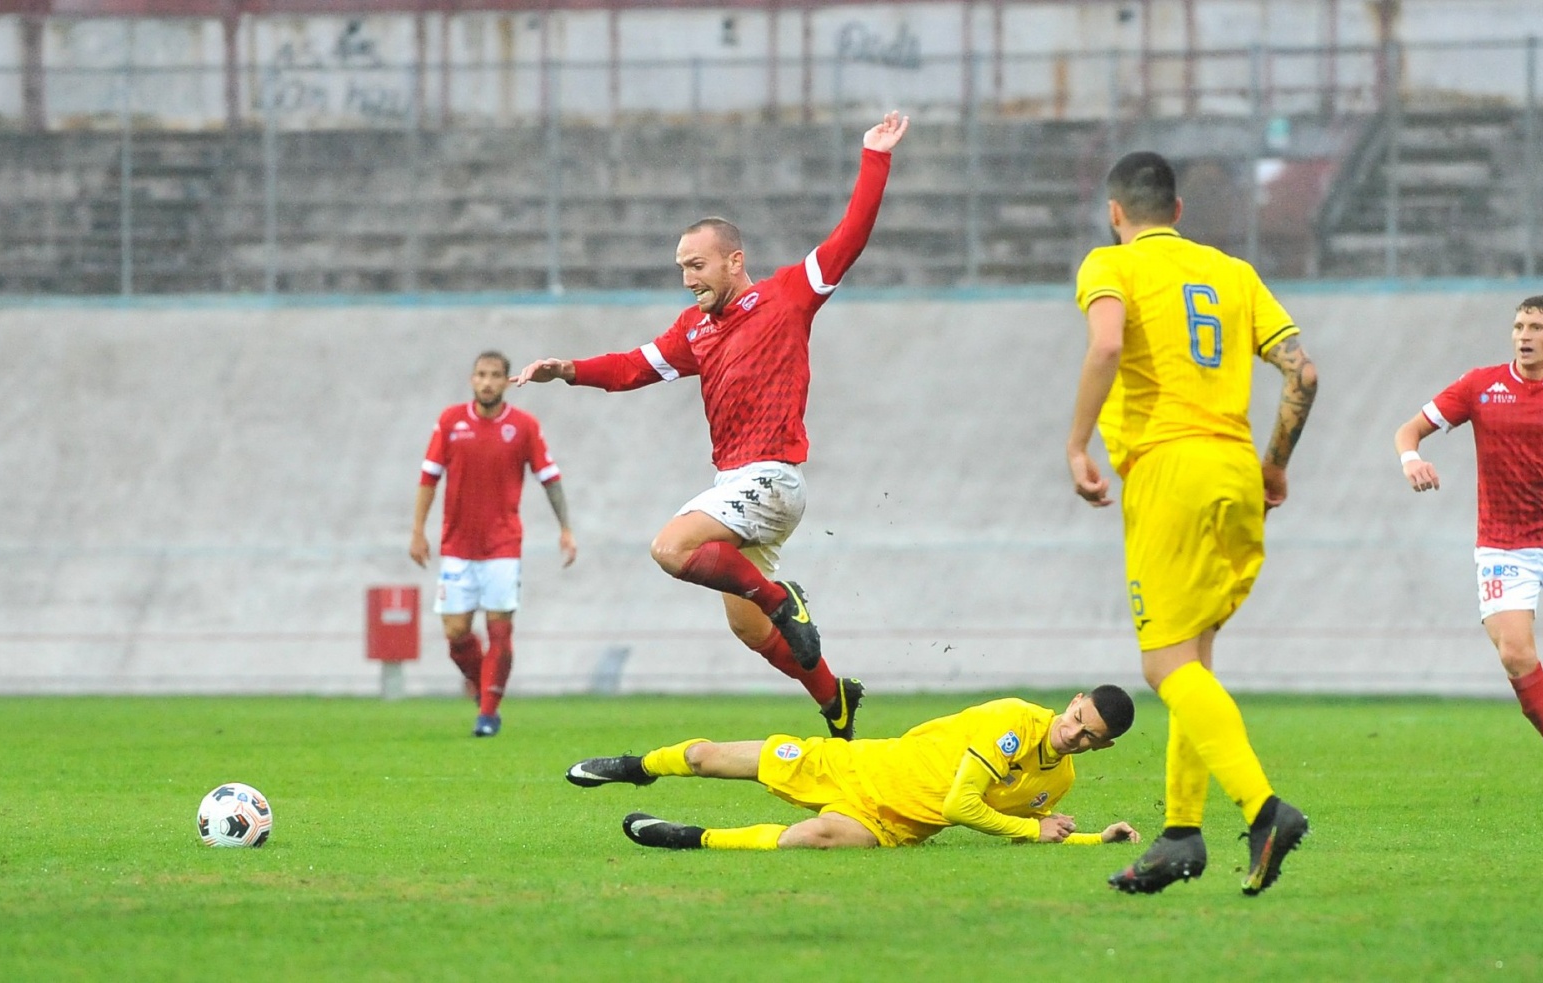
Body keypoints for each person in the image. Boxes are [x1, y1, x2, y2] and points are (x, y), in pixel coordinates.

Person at [509, 111, 911, 741]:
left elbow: (850, 236)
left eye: (698, 265)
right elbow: (632, 368)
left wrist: (874, 156)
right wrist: (568, 370)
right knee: (749, 630)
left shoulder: (786, 297)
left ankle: (786, 600)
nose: (689, 278)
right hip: (739, 485)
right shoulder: (695, 330)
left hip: (772, 476)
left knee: (671, 549)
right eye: (682, 268)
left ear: (734, 261)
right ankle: (836, 697)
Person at [1066, 151, 1319, 895]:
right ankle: (1179, 835)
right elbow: (1302, 371)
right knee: (1193, 660)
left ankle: (1265, 808)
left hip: (1169, 471)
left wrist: (1077, 443)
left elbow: (1107, 343)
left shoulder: (1111, 265)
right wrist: (1275, 462)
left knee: (1162, 664)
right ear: (1178, 212)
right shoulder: (1233, 274)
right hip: (1237, 468)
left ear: (1117, 215)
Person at [1394, 296, 1543, 799]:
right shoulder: (1481, 386)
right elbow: (1408, 429)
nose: (1524, 335)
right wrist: (1411, 458)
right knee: (1515, 654)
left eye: (1537, 327)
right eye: (1519, 325)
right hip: (1503, 546)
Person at [565, 686, 1139, 851]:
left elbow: (1033, 828)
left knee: (809, 838)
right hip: (851, 765)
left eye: (1091, 737)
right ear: (1074, 701)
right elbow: (961, 807)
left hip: (890, 827)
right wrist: (1030, 828)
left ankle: (691, 839)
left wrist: (1094, 838)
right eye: (1079, 718)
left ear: (1102, 747)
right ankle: (637, 766)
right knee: (704, 757)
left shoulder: (1057, 781)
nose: (1076, 734)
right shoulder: (1013, 719)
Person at [411, 351, 577, 737]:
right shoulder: (451, 422)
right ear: (472, 380)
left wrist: (565, 528)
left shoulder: (523, 426)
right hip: (456, 545)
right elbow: (429, 477)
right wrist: (418, 530)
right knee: (455, 634)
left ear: (508, 381)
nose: (487, 382)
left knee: (500, 630)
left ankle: (488, 713)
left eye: (495, 376)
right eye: (481, 375)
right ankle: (483, 685)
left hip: (503, 545)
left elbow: (549, 478)